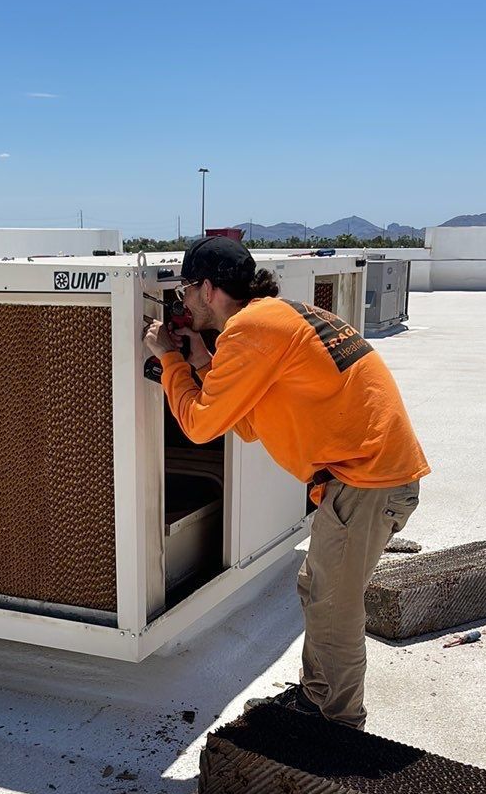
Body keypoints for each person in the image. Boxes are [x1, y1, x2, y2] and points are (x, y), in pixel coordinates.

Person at [144, 236, 429, 729]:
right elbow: (250, 423)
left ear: (209, 289)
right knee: (319, 592)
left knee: (333, 610)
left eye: (187, 289)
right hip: (371, 478)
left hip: (365, 483)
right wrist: (201, 364)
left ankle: (336, 728)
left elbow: (199, 426)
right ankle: (319, 699)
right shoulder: (277, 317)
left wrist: (168, 359)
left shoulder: (250, 330)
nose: (183, 302)